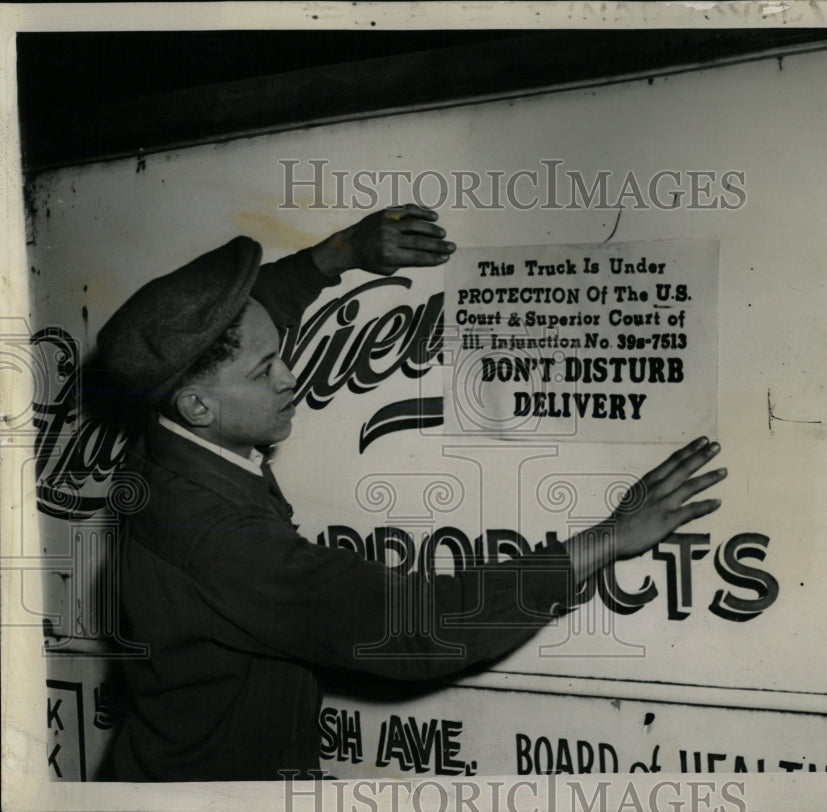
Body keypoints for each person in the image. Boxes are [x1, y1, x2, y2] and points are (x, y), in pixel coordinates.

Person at [97, 204, 726, 781]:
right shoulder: (211, 535)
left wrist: (338, 253)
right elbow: (414, 628)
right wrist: (605, 540)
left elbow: (244, 320)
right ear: (197, 404)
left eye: (279, 353)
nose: (291, 378)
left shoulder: (170, 435)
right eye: (266, 371)